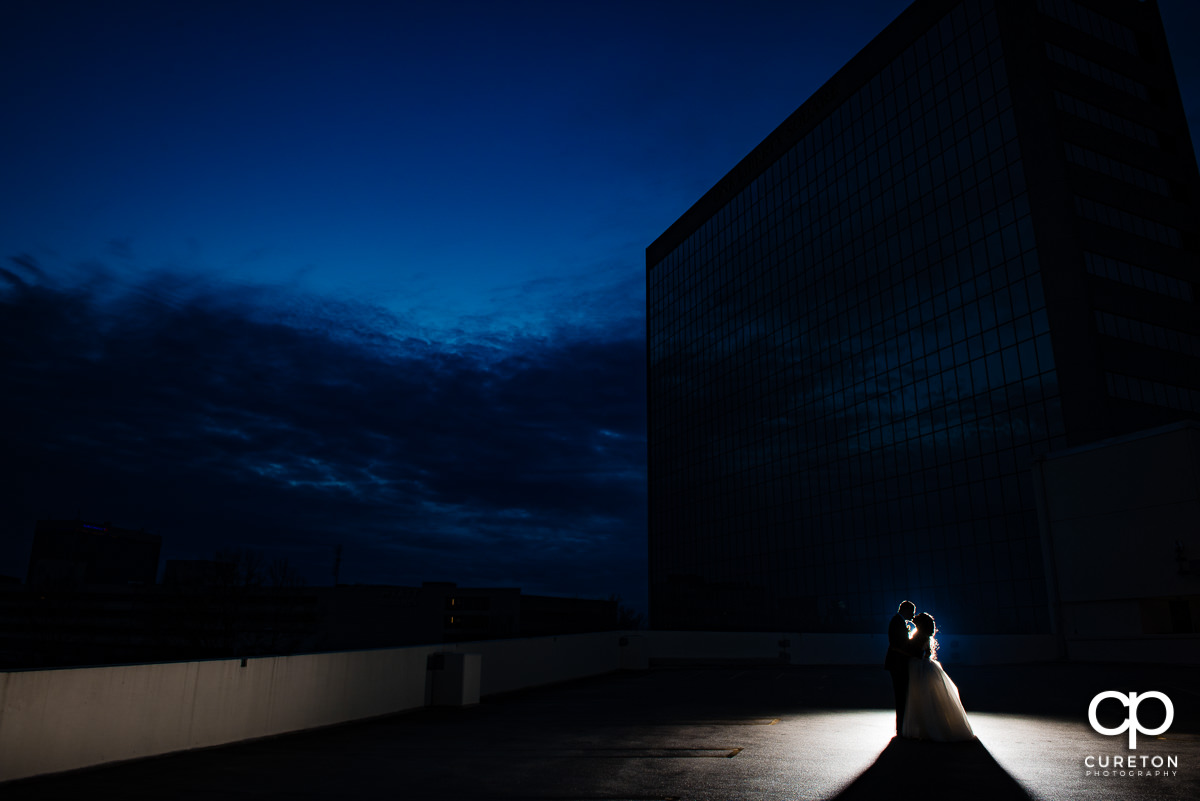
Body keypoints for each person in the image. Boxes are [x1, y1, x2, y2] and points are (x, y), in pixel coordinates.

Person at [901, 612, 975, 741]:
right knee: (928, 698)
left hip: (918, 668)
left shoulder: (919, 636)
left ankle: (927, 729)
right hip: (923, 667)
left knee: (922, 698)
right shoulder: (925, 636)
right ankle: (929, 727)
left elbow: (916, 652)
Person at [882, 600, 918, 734]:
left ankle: (901, 726)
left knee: (901, 695)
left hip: (897, 663)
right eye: (912, 612)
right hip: (897, 663)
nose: (913, 615)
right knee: (901, 695)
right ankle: (901, 727)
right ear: (906, 610)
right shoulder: (898, 622)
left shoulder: (899, 621)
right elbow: (897, 644)